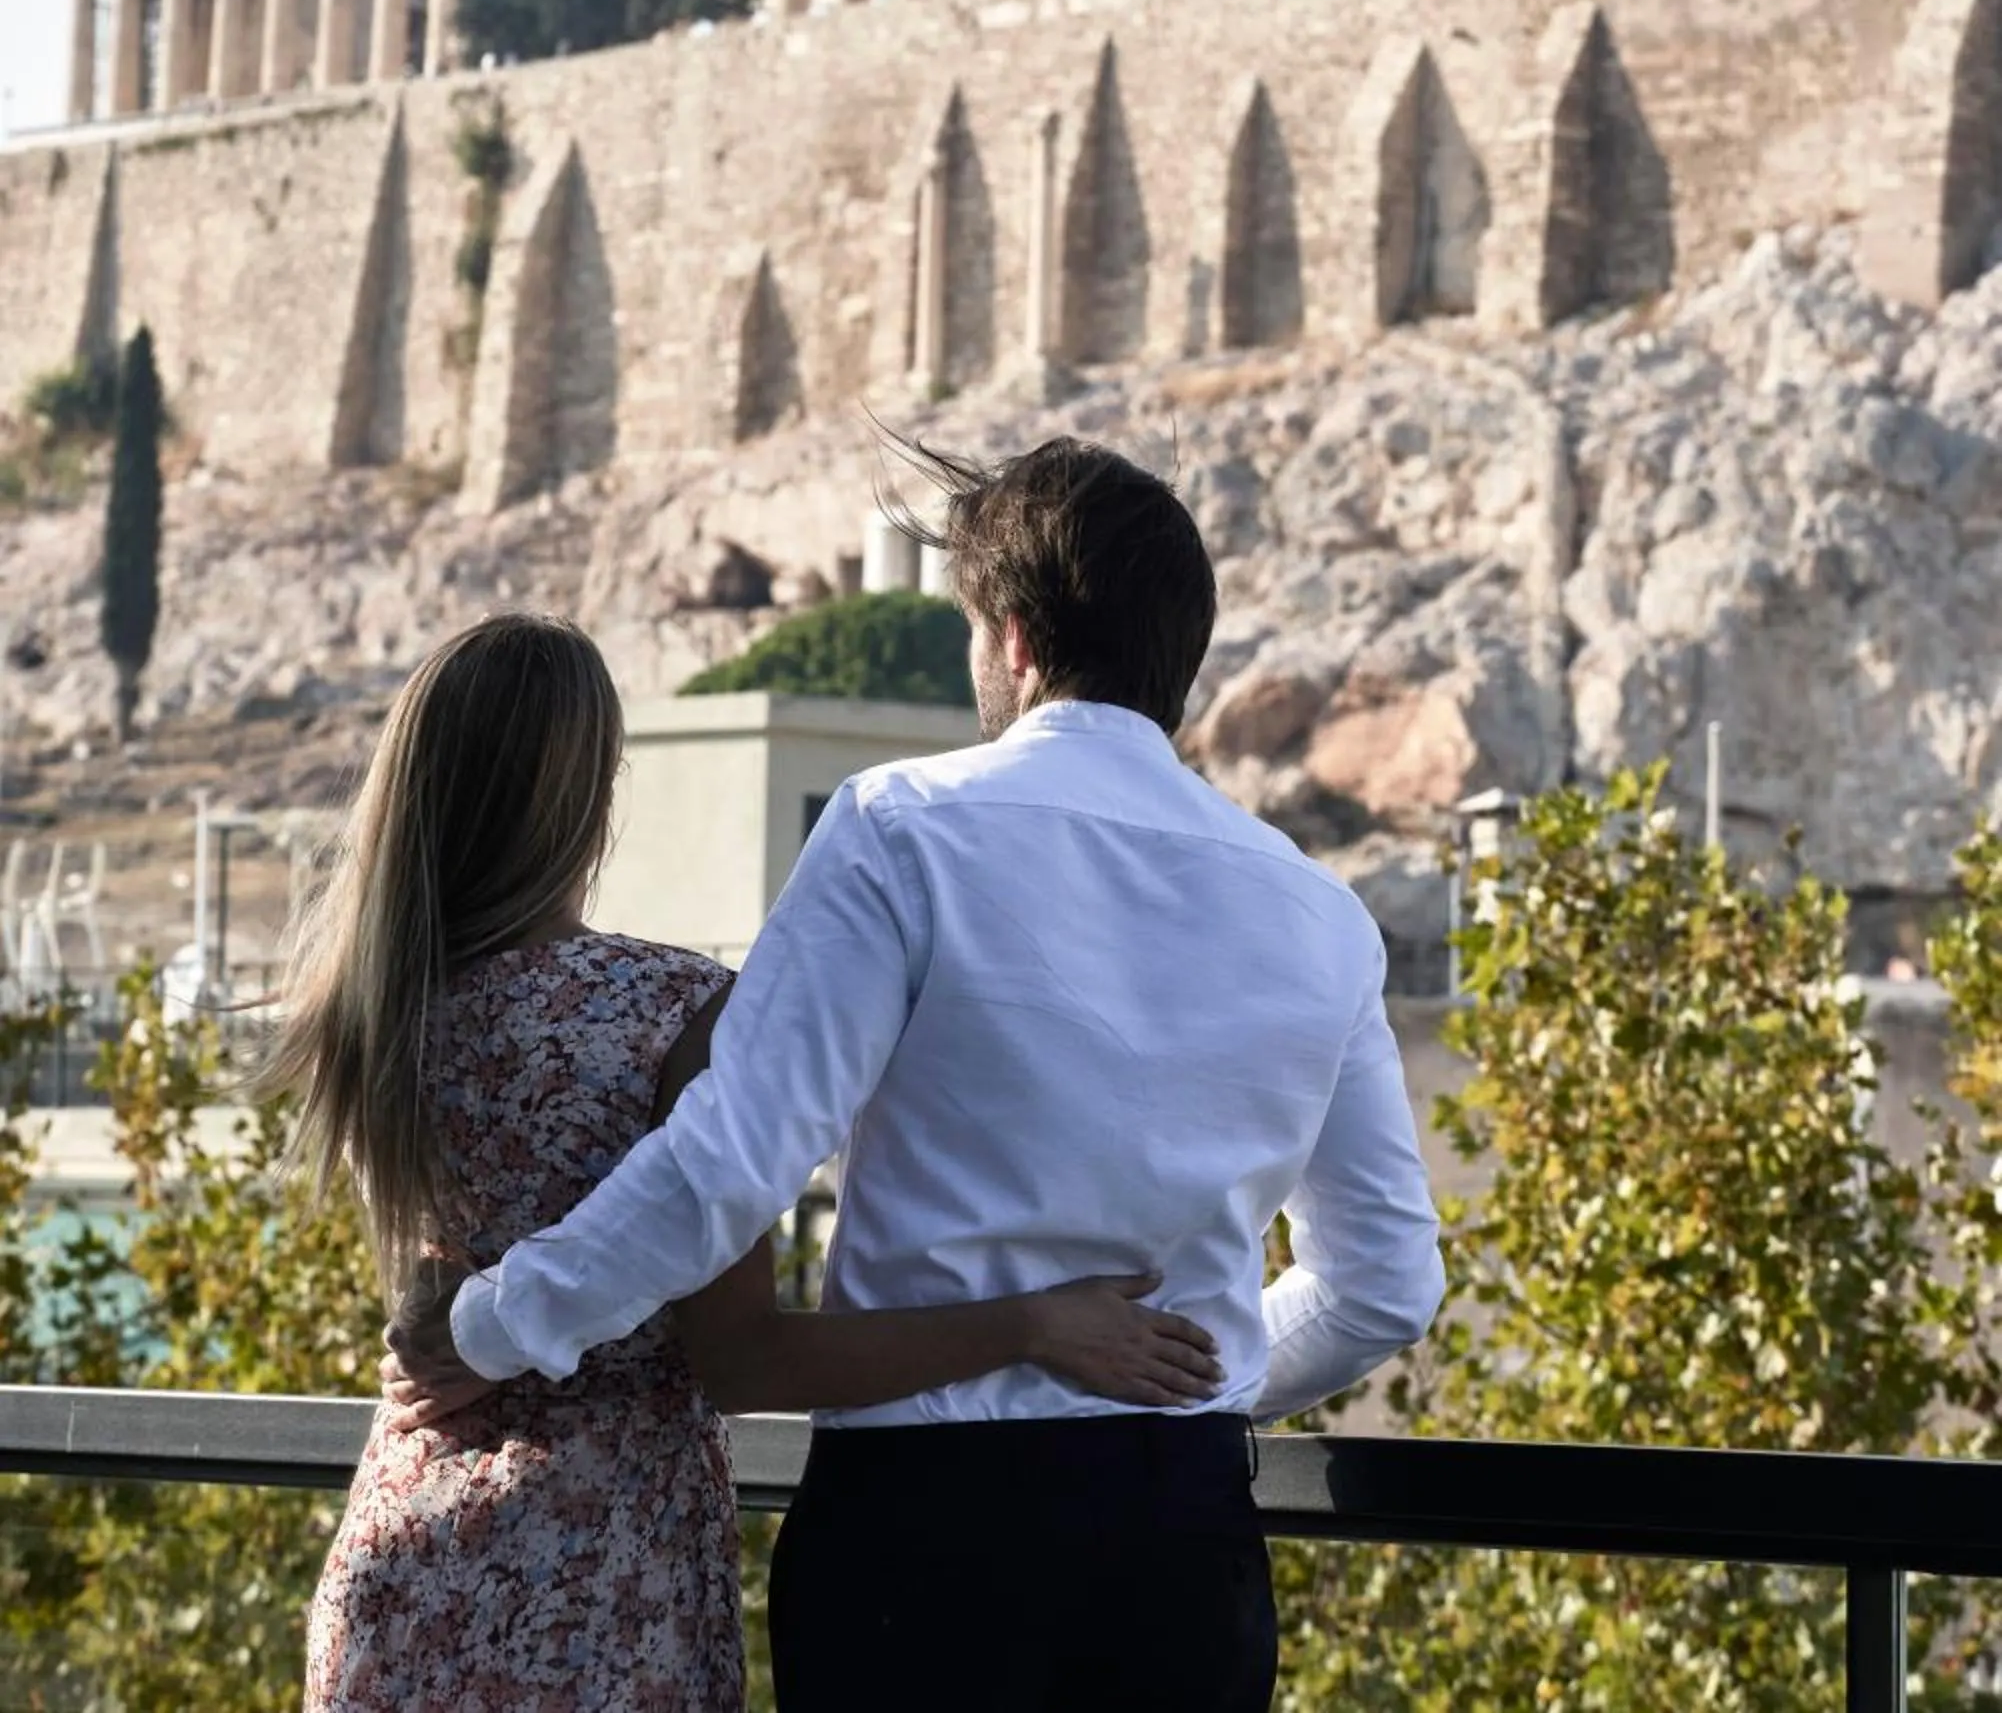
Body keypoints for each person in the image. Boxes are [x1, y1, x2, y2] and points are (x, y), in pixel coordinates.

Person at [391, 441, 1445, 1713]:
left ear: (1009, 640)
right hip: (1183, 1545)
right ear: (1184, 660)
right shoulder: (1320, 912)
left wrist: (496, 1326)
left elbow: (731, 1160)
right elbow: (1382, 1288)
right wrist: (1198, 1374)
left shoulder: (902, 827)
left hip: (928, 1543)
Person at [268, 609, 1223, 1713]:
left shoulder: (371, 1012)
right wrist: (1031, 1324)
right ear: (592, 795)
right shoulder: (671, 1010)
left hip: (403, 1544)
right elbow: (748, 1362)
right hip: (601, 1576)